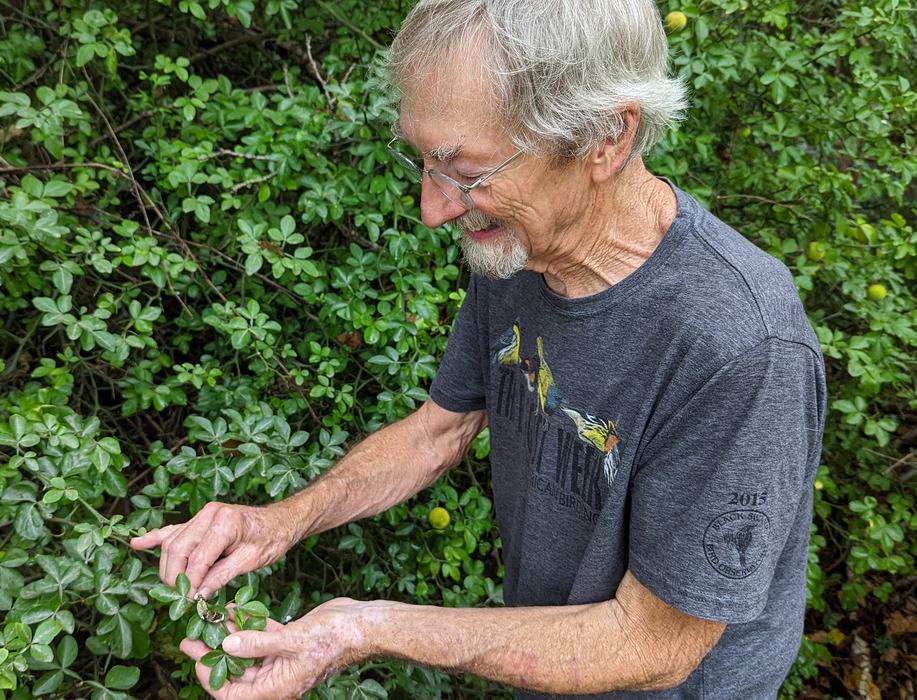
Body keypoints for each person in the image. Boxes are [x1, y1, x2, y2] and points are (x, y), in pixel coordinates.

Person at [131, 1, 827, 697]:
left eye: (463, 172)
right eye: (425, 162)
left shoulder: (739, 344)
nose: (434, 209)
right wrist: (280, 521)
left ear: (605, 138)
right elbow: (442, 429)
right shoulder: (521, 252)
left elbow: (651, 643)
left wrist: (360, 628)